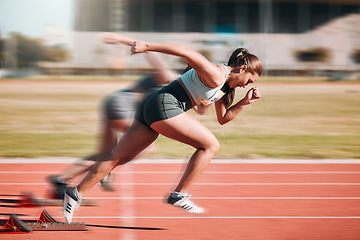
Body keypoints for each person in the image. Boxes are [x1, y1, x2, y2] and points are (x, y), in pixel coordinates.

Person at [63, 34, 262, 222]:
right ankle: (179, 194)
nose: (247, 85)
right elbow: (185, 51)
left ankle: (75, 193)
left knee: (117, 158)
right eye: (250, 80)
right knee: (210, 145)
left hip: (153, 106)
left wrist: (244, 102)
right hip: (165, 104)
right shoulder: (217, 73)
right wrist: (146, 46)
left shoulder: (224, 88)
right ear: (243, 68)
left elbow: (222, 118)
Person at [47, 33, 181, 198]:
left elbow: (199, 106)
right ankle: (106, 170)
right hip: (121, 105)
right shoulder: (171, 77)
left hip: (114, 102)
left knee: (105, 153)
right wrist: (122, 40)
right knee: (146, 146)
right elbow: (149, 51)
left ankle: (61, 179)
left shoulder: (183, 87)